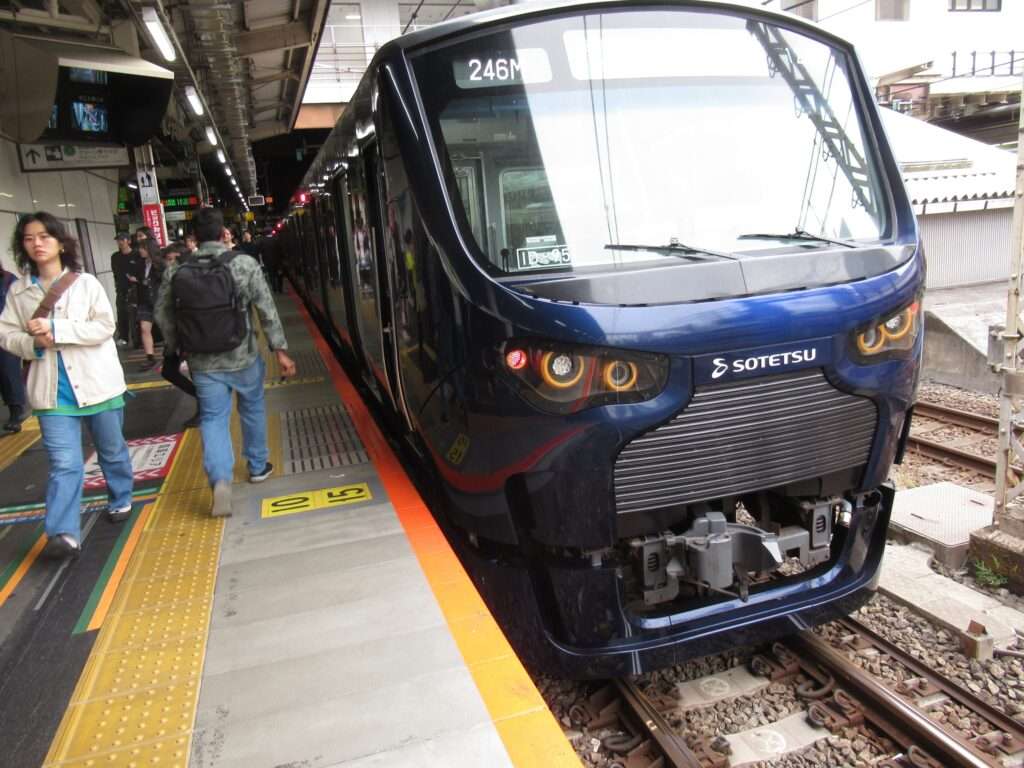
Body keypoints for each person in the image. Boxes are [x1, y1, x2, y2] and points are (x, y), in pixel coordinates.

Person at [0, 213, 134, 558]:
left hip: (98, 383)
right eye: (29, 238)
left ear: (61, 242)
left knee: (112, 450)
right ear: (23, 246)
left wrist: (57, 331)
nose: (38, 243)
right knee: (64, 463)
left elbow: (106, 326)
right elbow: (7, 334)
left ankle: (120, 496)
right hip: (51, 392)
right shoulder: (19, 291)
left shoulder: (86, 284)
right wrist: (32, 345)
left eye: (44, 236)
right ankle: (62, 532)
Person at [156, 207, 296, 517]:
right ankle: (258, 466)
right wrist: (280, 351)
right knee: (252, 407)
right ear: (223, 234)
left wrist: (178, 345)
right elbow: (267, 310)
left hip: (203, 364)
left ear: (193, 237)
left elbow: (162, 314)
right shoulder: (243, 264)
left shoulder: (176, 269)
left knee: (213, 419)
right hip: (243, 357)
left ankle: (220, 479)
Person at [158, 242, 200, 429]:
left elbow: (163, 311)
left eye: (171, 259)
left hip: (182, 334)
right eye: (167, 260)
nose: (169, 264)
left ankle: (203, 405)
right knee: (171, 370)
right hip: (185, 334)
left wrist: (172, 341)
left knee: (191, 372)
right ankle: (203, 400)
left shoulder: (176, 275)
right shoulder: (190, 274)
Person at [0, 262, 29, 433]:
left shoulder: (9, 280)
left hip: (6, 334)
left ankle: (16, 411)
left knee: (8, 372)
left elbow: (22, 306)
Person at [134, 239, 163, 371]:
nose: (140, 250)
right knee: (144, 328)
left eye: (143, 248)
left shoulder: (160, 264)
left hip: (159, 301)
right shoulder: (140, 264)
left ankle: (176, 356)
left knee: (167, 329)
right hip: (145, 300)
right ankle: (150, 358)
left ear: (150, 249)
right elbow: (141, 280)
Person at [110, 232, 138, 346]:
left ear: (129, 241)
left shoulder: (136, 255)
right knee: (121, 313)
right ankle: (123, 337)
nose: (120, 242)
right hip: (121, 289)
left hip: (135, 289)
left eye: (122, 239)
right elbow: (115, 273)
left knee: (135, 315)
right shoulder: (115, 256)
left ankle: (137, 339)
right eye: (118, 240)